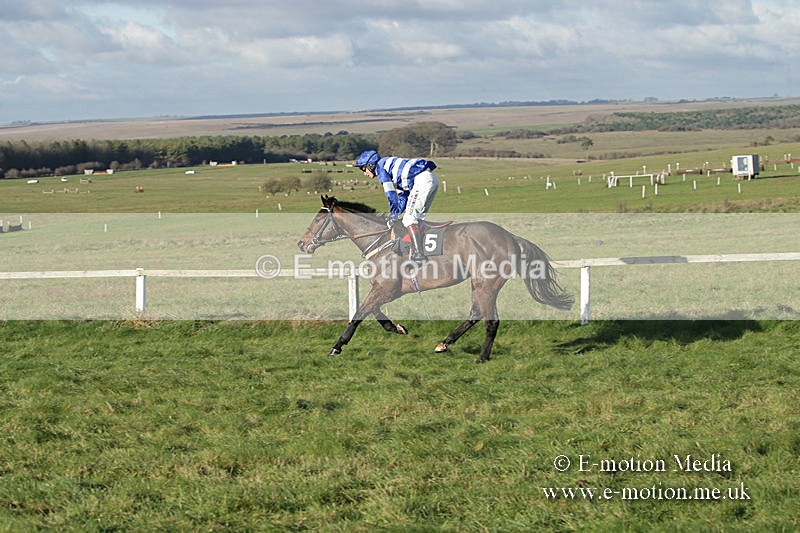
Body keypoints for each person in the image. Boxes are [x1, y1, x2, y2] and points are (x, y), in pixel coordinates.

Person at [356, 150, 439, 261]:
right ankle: (419, 248)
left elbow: (391, 195)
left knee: (409, 220)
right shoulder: (387, 168)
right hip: (432, 179)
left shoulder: (380, 169)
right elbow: (403, 197)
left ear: (370, 165)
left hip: (422, 181)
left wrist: (394, 216)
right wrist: (395, 213)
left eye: (363, 169)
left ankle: (419, 254)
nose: (364, 173)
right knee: (418, 218)